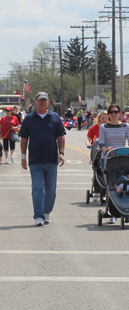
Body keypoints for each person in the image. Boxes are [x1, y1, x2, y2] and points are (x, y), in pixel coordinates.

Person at [19, 92, 66, 226]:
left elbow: (61, 136)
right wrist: (23, 157)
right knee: (37, 188)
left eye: (45, 101)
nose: (42, 103)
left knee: (51, 189)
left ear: (48, 102)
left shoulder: (55, 117)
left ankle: (46, 212)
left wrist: (61, 153)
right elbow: (24, 138)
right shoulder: (29, 118)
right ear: (35, 102)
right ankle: (38, 215)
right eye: (40, 100)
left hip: (51, 159)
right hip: (35, 159)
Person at [99, 104, 129, 224]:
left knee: (127, 180)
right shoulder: (103, 127)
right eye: (111, 112)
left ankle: (127, 206)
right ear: (108, 114)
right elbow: (101, 144)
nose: (113, 114)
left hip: (122, 158)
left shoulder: (125, 126)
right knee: (111, 185)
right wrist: (107, 150)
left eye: (116, 112)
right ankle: (113, 213)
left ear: (120, 113)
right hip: (108, 159)